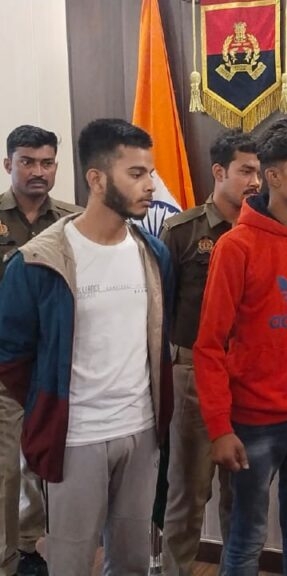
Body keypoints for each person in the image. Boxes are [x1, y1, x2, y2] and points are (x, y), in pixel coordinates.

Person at [0, 118, 174, 576]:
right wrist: (48, 407)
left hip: (142, 431)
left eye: (150, 172)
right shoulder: (39, 260)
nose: (150, 185)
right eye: (136, 173)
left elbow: (158, 338)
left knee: (133, 562)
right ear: (97, 179)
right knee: (72, 562)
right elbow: (12, 357)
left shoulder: (154, 253)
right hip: (75, 437)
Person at [193, 117, 287, 575]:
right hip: (254, 422)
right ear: (273, 176)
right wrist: (219, 427)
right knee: (246, 538)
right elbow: (209, 344)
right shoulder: (236, 246)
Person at [160, 129, 261, 575]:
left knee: (243, 493)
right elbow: (162, 306)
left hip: (248, 374)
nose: (255, 181)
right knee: (188, 492)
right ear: (219, 172)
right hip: (193, 375)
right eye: (245, 171)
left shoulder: (266, 230)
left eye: (259, 172)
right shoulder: (183, 232)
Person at [0, 125, 81, 576]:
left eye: (46, 162)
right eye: (27, 161)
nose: (38, 171)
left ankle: (28, 545)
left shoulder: (73, 221)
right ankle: (5, 560)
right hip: (3, 364)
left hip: (52, 365)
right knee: (5, 469)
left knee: (39, 460)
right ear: (8, 164)